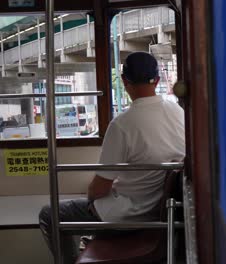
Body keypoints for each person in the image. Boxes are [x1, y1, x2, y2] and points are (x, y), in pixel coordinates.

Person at [38, 52, 185, 263]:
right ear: (158, 80)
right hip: (161, 213)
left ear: (125, 82)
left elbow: (98, 189)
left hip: (128, 217)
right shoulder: (177, 112)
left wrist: (90, 200)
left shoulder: (122, 124)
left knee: (49, 214)